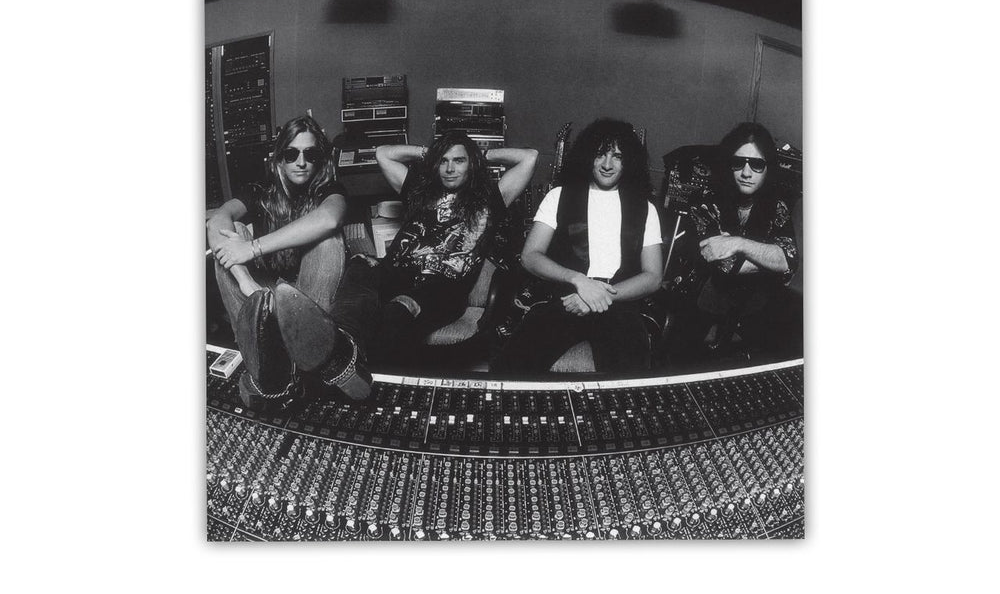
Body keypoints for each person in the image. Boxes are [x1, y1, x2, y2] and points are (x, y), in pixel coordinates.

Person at [272, 131, 538, 399]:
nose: (449, 168)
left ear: (471, 164)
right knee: (360, 266)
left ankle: (366, 382)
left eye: (459, 161)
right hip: (395, 272)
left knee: (399, 308)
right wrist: (431, 152)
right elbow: (383, 154)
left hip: (442, 287)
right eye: (443, 161)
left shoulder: (491, 198)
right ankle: (343, 350)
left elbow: (529, 157)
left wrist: (478, 154)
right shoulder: (420, 191)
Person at [492, 118, 663, 375]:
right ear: (588, 156)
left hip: (619, 302)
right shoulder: (559, 196)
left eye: (617, 156)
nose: (607, 164)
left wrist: (600, 295)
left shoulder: (645, 207)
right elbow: (530, 256)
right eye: (600, 154)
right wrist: (578, 281)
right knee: (510, 370)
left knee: (627, 384)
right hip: (565, 298)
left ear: (628, 161)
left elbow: (653, 277)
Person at [207, 114, 347, 407]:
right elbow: (218, 219)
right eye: (291, 154)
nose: (301, 162)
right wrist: (246, 281)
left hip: (306, 304)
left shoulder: (329, 190)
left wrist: (253, 248)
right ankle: (261, 356)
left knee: (328, 239)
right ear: (279, 159)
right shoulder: (261, 190)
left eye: (310, 154)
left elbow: (329, 218)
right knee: (231, 233)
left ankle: (311, 354)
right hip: (261, 295)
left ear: (320, 160)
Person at [668, 121, 800, 361]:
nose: (746, 173)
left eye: (757, 164)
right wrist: (770, 259)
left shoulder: (777, 207)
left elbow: (789, 261)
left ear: (768, 168)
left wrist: (738, 243)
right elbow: (725, 266)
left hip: (754, 309)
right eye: (739, 163)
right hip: (701, 303)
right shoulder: (705, 201)